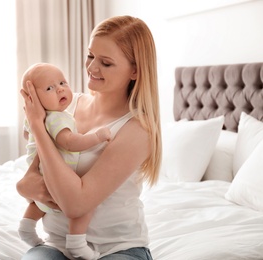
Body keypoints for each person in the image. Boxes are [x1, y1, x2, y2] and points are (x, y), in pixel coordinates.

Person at [17, 15, 162, 260]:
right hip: (56, 244)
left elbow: (76, 204)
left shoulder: (137, 129)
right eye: (90, 55)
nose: (92, 67)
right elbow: (31, 177)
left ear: (135, 71)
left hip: (118, 248)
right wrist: (23, 187)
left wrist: (38, 127)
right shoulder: (65, 105)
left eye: (106, 63)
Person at [18, 63, 112, 260]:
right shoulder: (57, 118)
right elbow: (69, 142)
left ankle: (27, 227)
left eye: (62, 82)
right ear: (33, 98)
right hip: (59, 174)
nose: (60, 88)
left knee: (40, 203)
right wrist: (96, 137)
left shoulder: (35, 117)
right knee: (85, 206)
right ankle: (77, 242)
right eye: (50, 88)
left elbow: (27, 135)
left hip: (41, 170)